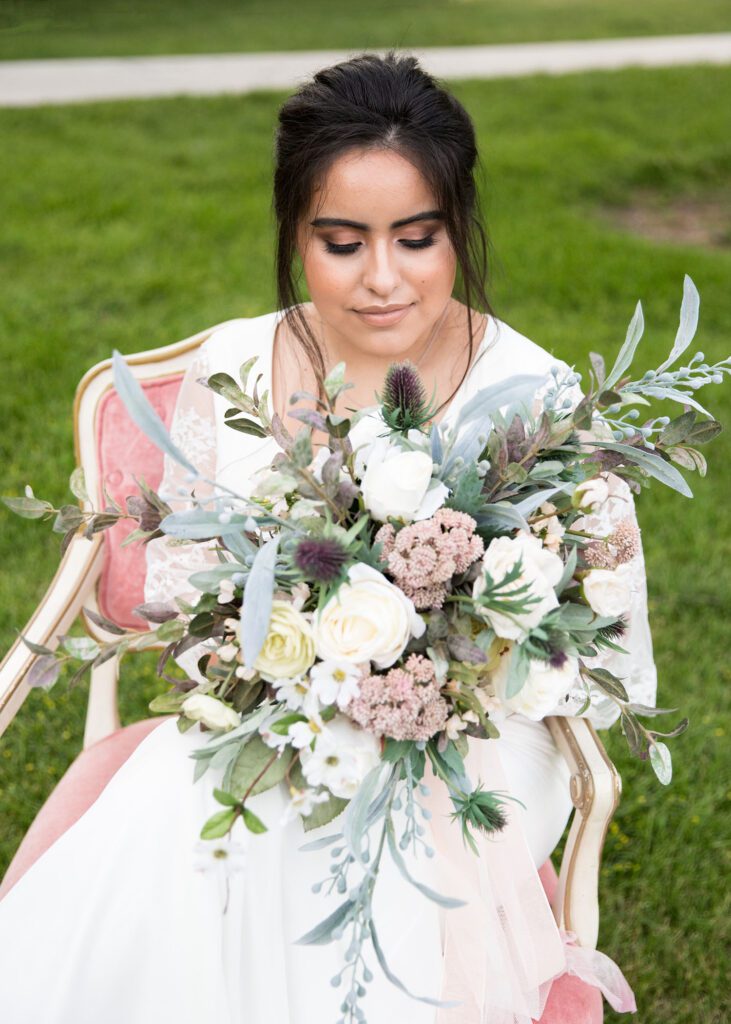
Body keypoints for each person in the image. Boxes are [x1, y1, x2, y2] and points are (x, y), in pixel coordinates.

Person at [0, 52, 655, 1023]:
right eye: (341, 242)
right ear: (296, 236)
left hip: (470, 737)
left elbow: (593, 667)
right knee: (209, 818)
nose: (381, 279)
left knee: (347, 838)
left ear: (457, 229)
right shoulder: (238, 366)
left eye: (416, 238)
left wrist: (422, 682)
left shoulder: (542, 406)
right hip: (268, 705)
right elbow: (190, 596)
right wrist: (292, 665)